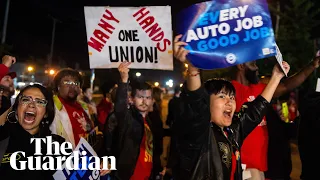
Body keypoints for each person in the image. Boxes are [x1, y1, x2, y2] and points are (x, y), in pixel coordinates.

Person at [172, 35, 290, 180]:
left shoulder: (232, 132)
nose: (229, 102)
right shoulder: (199, 134)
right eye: (222, 96)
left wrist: (276, 76)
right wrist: (193, 68)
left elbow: (255, 112)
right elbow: (196, 103)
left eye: (232, 97)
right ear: (206, 103)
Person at [231, 54, 319, 179]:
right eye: (253, 64)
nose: (257, 68)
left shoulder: (259, 89)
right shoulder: (230, 91)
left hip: (261, 166)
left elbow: (286, 86)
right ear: (241, 65)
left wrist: (312, 65)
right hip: (242, 167)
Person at [0, 84, 64, 179]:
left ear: (46, 113)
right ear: (17, 108)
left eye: (39, 102)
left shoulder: (58, 145)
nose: (31, 105)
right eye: (25, 99)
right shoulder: (2, 138)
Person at [113, 62, 163, 180]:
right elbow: (120, 107)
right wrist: (124, 80)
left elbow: (155, 150)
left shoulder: (151, 121)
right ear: (131, 99)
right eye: (140, 97)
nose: (144, 101)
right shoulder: (129, 119)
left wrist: (159, 169)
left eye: (148, 97)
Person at [49, 68, 102, 151]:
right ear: (58, 86)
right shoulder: (50, 107)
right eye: (67, 82)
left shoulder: (85, 107)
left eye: (76, 83)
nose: (73, 86)